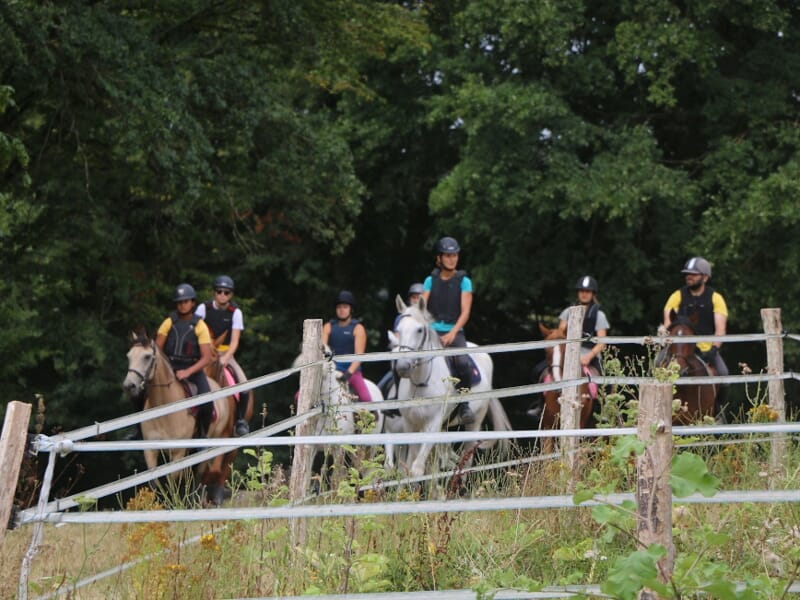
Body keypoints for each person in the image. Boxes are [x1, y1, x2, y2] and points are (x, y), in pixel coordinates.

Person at [528, 276, 610, 419]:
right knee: (539, 371)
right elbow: (561, 334)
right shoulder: (568, 311)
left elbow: (602, 342)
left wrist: (589, 356)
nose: (584, 294)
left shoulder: (599, 315)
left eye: (588, 291)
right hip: (568, 352)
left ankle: (604, 411)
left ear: (593, 294)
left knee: (604, 379)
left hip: (589, 354)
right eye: (582, 291)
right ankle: (540, 404)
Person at [421, 236, 476, 425]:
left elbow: (466, 312)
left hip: (455, 330)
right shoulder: (430, 280)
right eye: (447, 255)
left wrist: (453, 332)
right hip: (432, 330)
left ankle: (464, 405)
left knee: (462, 363)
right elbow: (422, 307)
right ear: (439, 258)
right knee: (408, 357)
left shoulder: (464, 281)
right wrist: (428, 328)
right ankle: (397, 398)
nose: (452, 259)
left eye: (454, 255)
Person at [662, 257, 729, 392]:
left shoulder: (716, 298)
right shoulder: (676, 296)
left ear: (705, 278)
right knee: (655, 369)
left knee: (724, 376)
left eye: (693, 274)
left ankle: (719, 410)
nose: (689, 277)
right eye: (687, 274)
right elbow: (668, 325)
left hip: (706, 350)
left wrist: (713, 350)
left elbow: (720, 330)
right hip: (678, 350)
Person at [155, 283, 214, 437]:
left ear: (192, 302)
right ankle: (139, 430)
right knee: (141, 392)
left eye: (186, 301)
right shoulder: (169, 322)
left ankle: (202, 435)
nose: (182, 305)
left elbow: (206, 357)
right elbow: (157, 349)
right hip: (170, 368)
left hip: (192, 369)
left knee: (207, 400)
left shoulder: (200, 325)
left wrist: (187, 372)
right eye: (179, 302)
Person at [195, 275, 251, 437]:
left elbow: (234, 341)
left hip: (225, 353)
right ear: (214, 293)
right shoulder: (203, 309)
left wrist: (225, 359)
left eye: (226, 292)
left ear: (231, 295)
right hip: (204, 353)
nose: (222, 295)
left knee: (244, 385)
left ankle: (240, 420)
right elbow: (196, 332)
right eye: (219, 291)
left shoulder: (236, 312)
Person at [322, 290, 372, 403]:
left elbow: (359, 356)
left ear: (351, 309)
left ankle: (373, 418)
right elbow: (323, 350)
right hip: (330, 370)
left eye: (345, 306)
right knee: (298, 396)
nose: (341, 309)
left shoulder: (358, 328)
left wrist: (348, 374)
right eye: (339, 307)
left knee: (366, 399)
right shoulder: (328, 327)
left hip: (351, 372)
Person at [379, 282, 425, 399]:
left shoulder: (427, 317)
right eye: (413, 297)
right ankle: (396, 394)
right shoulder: (401, 317)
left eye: (418, 298)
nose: (415, 300)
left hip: (422, 353)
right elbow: (397, 334)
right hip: (405, 349)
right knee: (383, 382)